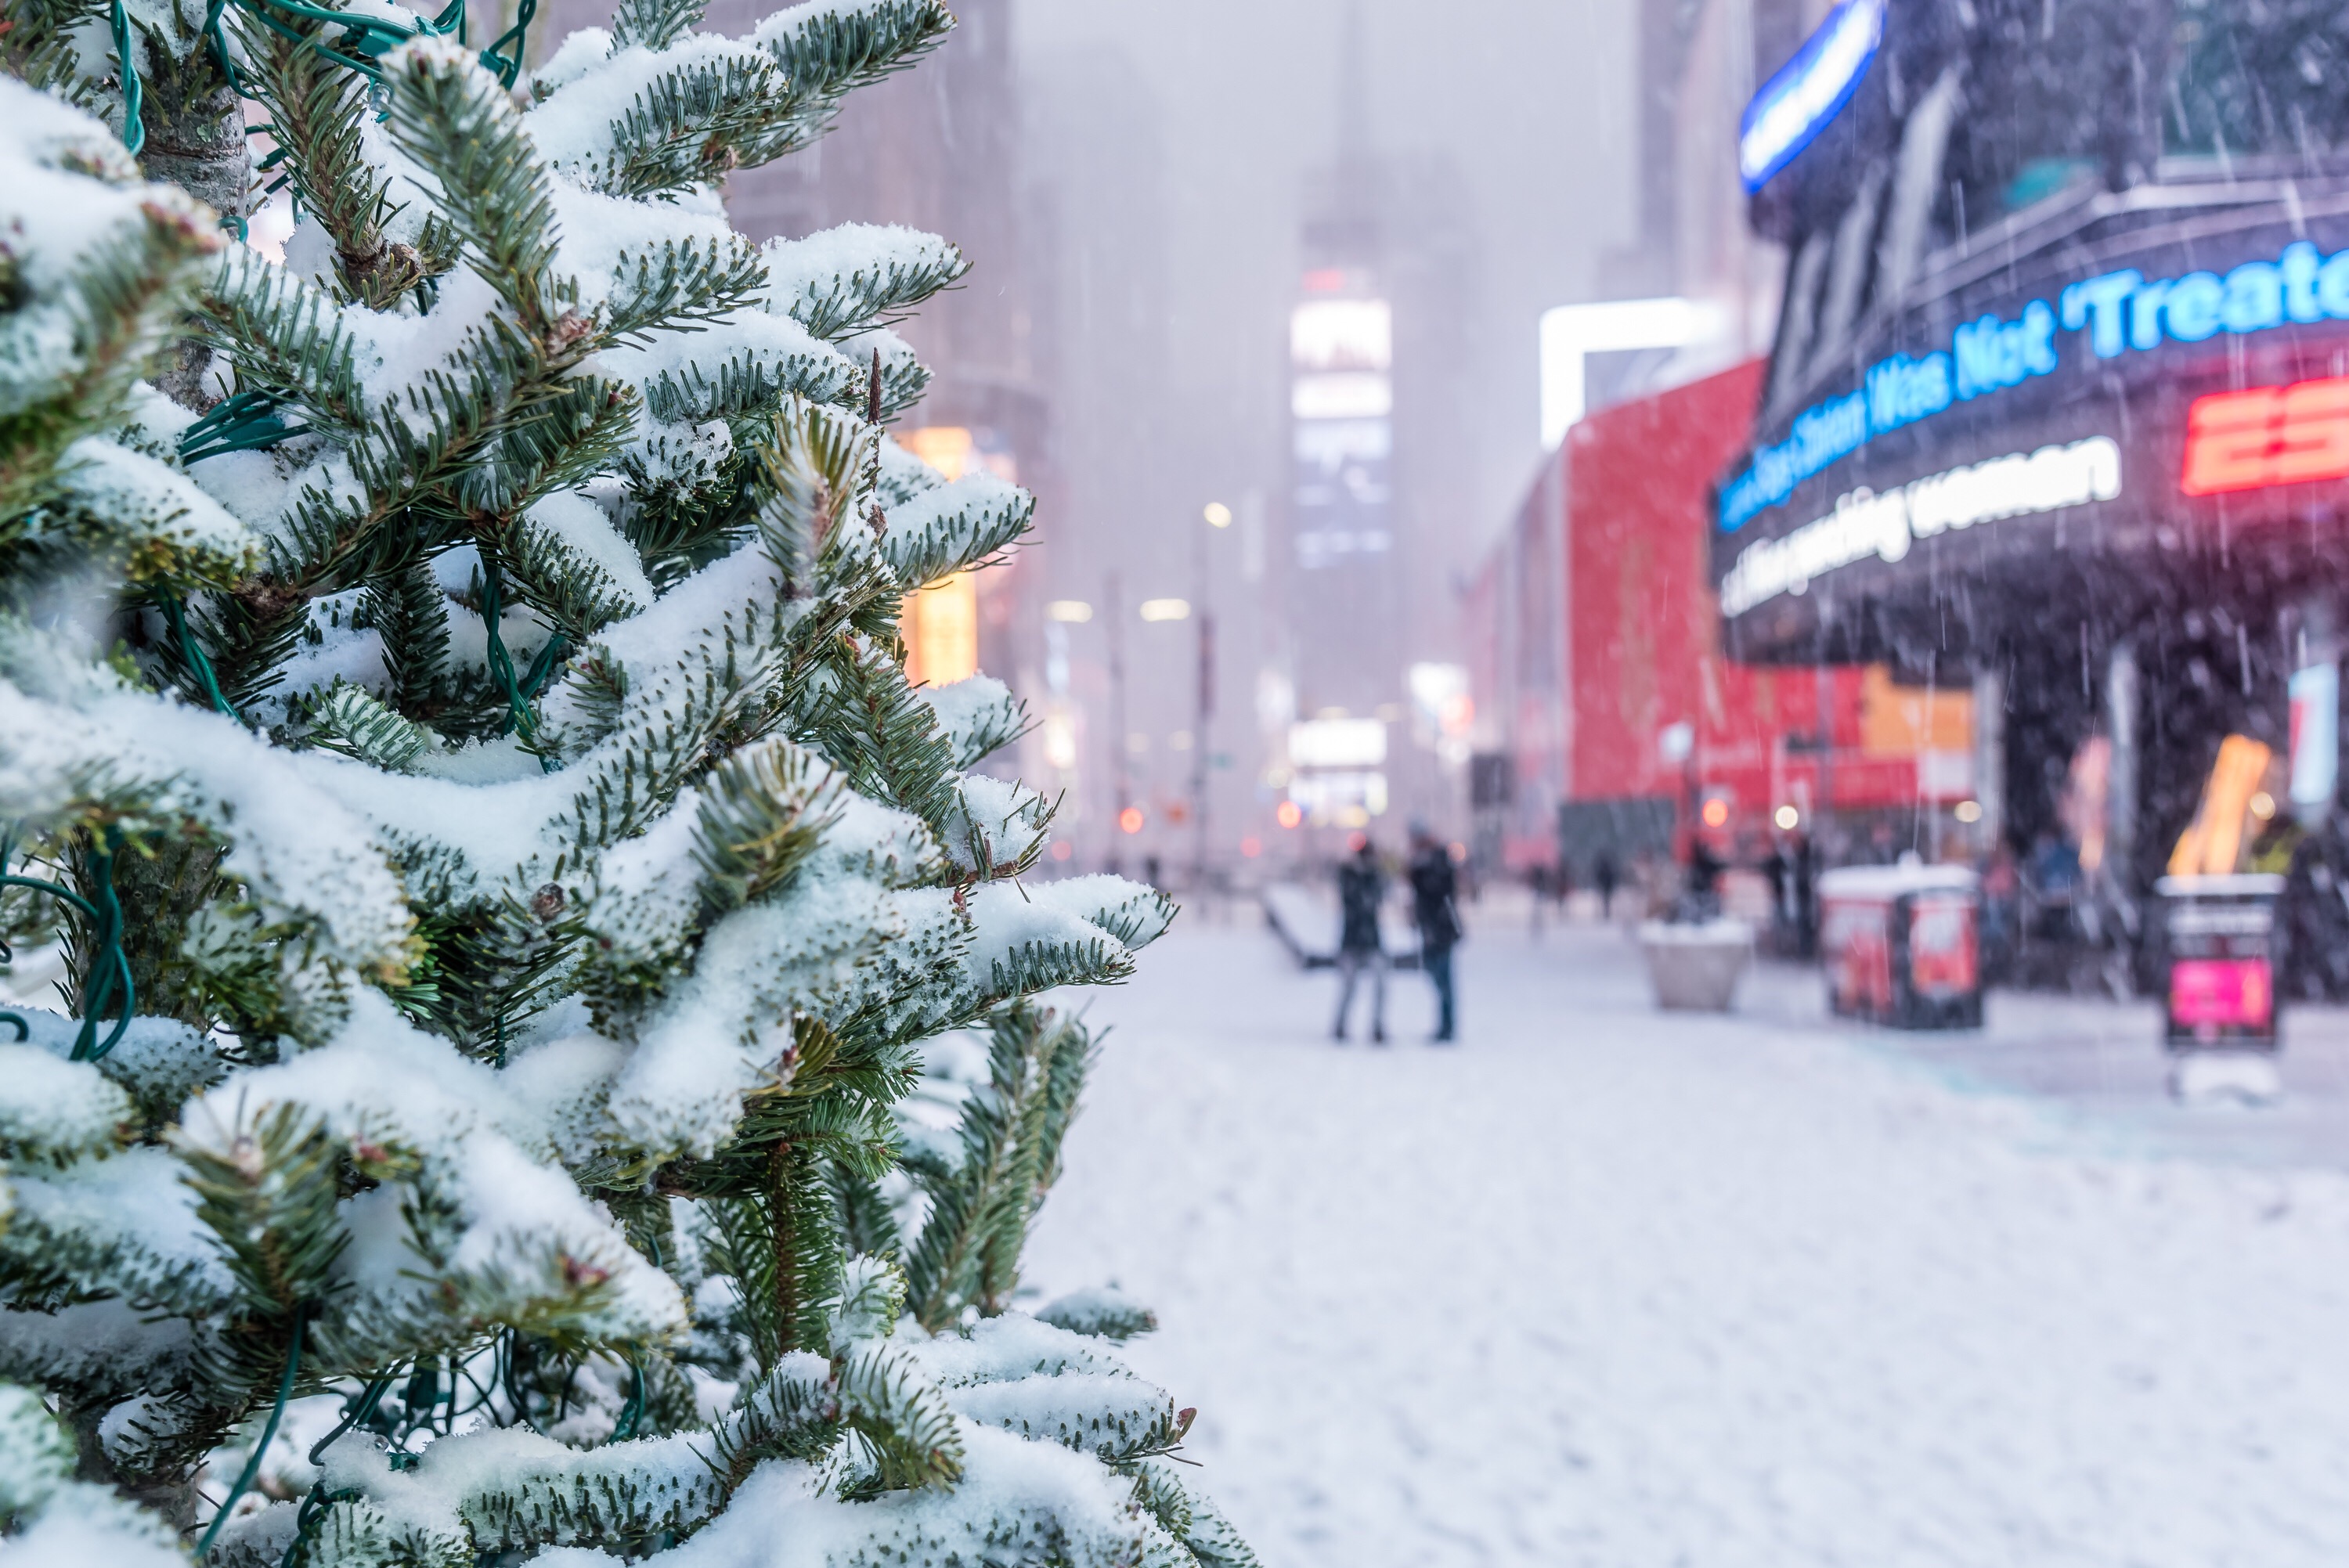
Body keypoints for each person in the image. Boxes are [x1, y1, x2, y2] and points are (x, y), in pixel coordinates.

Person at [1408, 826, 1463, 1042]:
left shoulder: (1437, 862)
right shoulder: (1426, 863)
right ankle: (1446, 1025)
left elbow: (1438, 891)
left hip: (1440, 930)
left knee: (1443, 978)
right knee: (1437, 975)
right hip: (1433, 929)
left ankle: (1447, 1027)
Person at [1332, 835, 1387, 1043]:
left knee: (1379, 985)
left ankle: (1377, 1026)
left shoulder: (1374, 876)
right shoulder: (1349, 874)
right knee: (1349, 987)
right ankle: (1341, 1025)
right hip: (1353, 940)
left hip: (1371, 941)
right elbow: (1357, 901)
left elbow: (1378, 898)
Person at [1593, 849, 1620, 920]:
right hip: (1607, 886)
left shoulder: (1603, 868)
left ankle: (1606, 913)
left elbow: (1600, 876)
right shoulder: (1608, 868)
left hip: (1606, 886)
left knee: (1606, 901)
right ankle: (1606, 913)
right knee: (1606, 901)